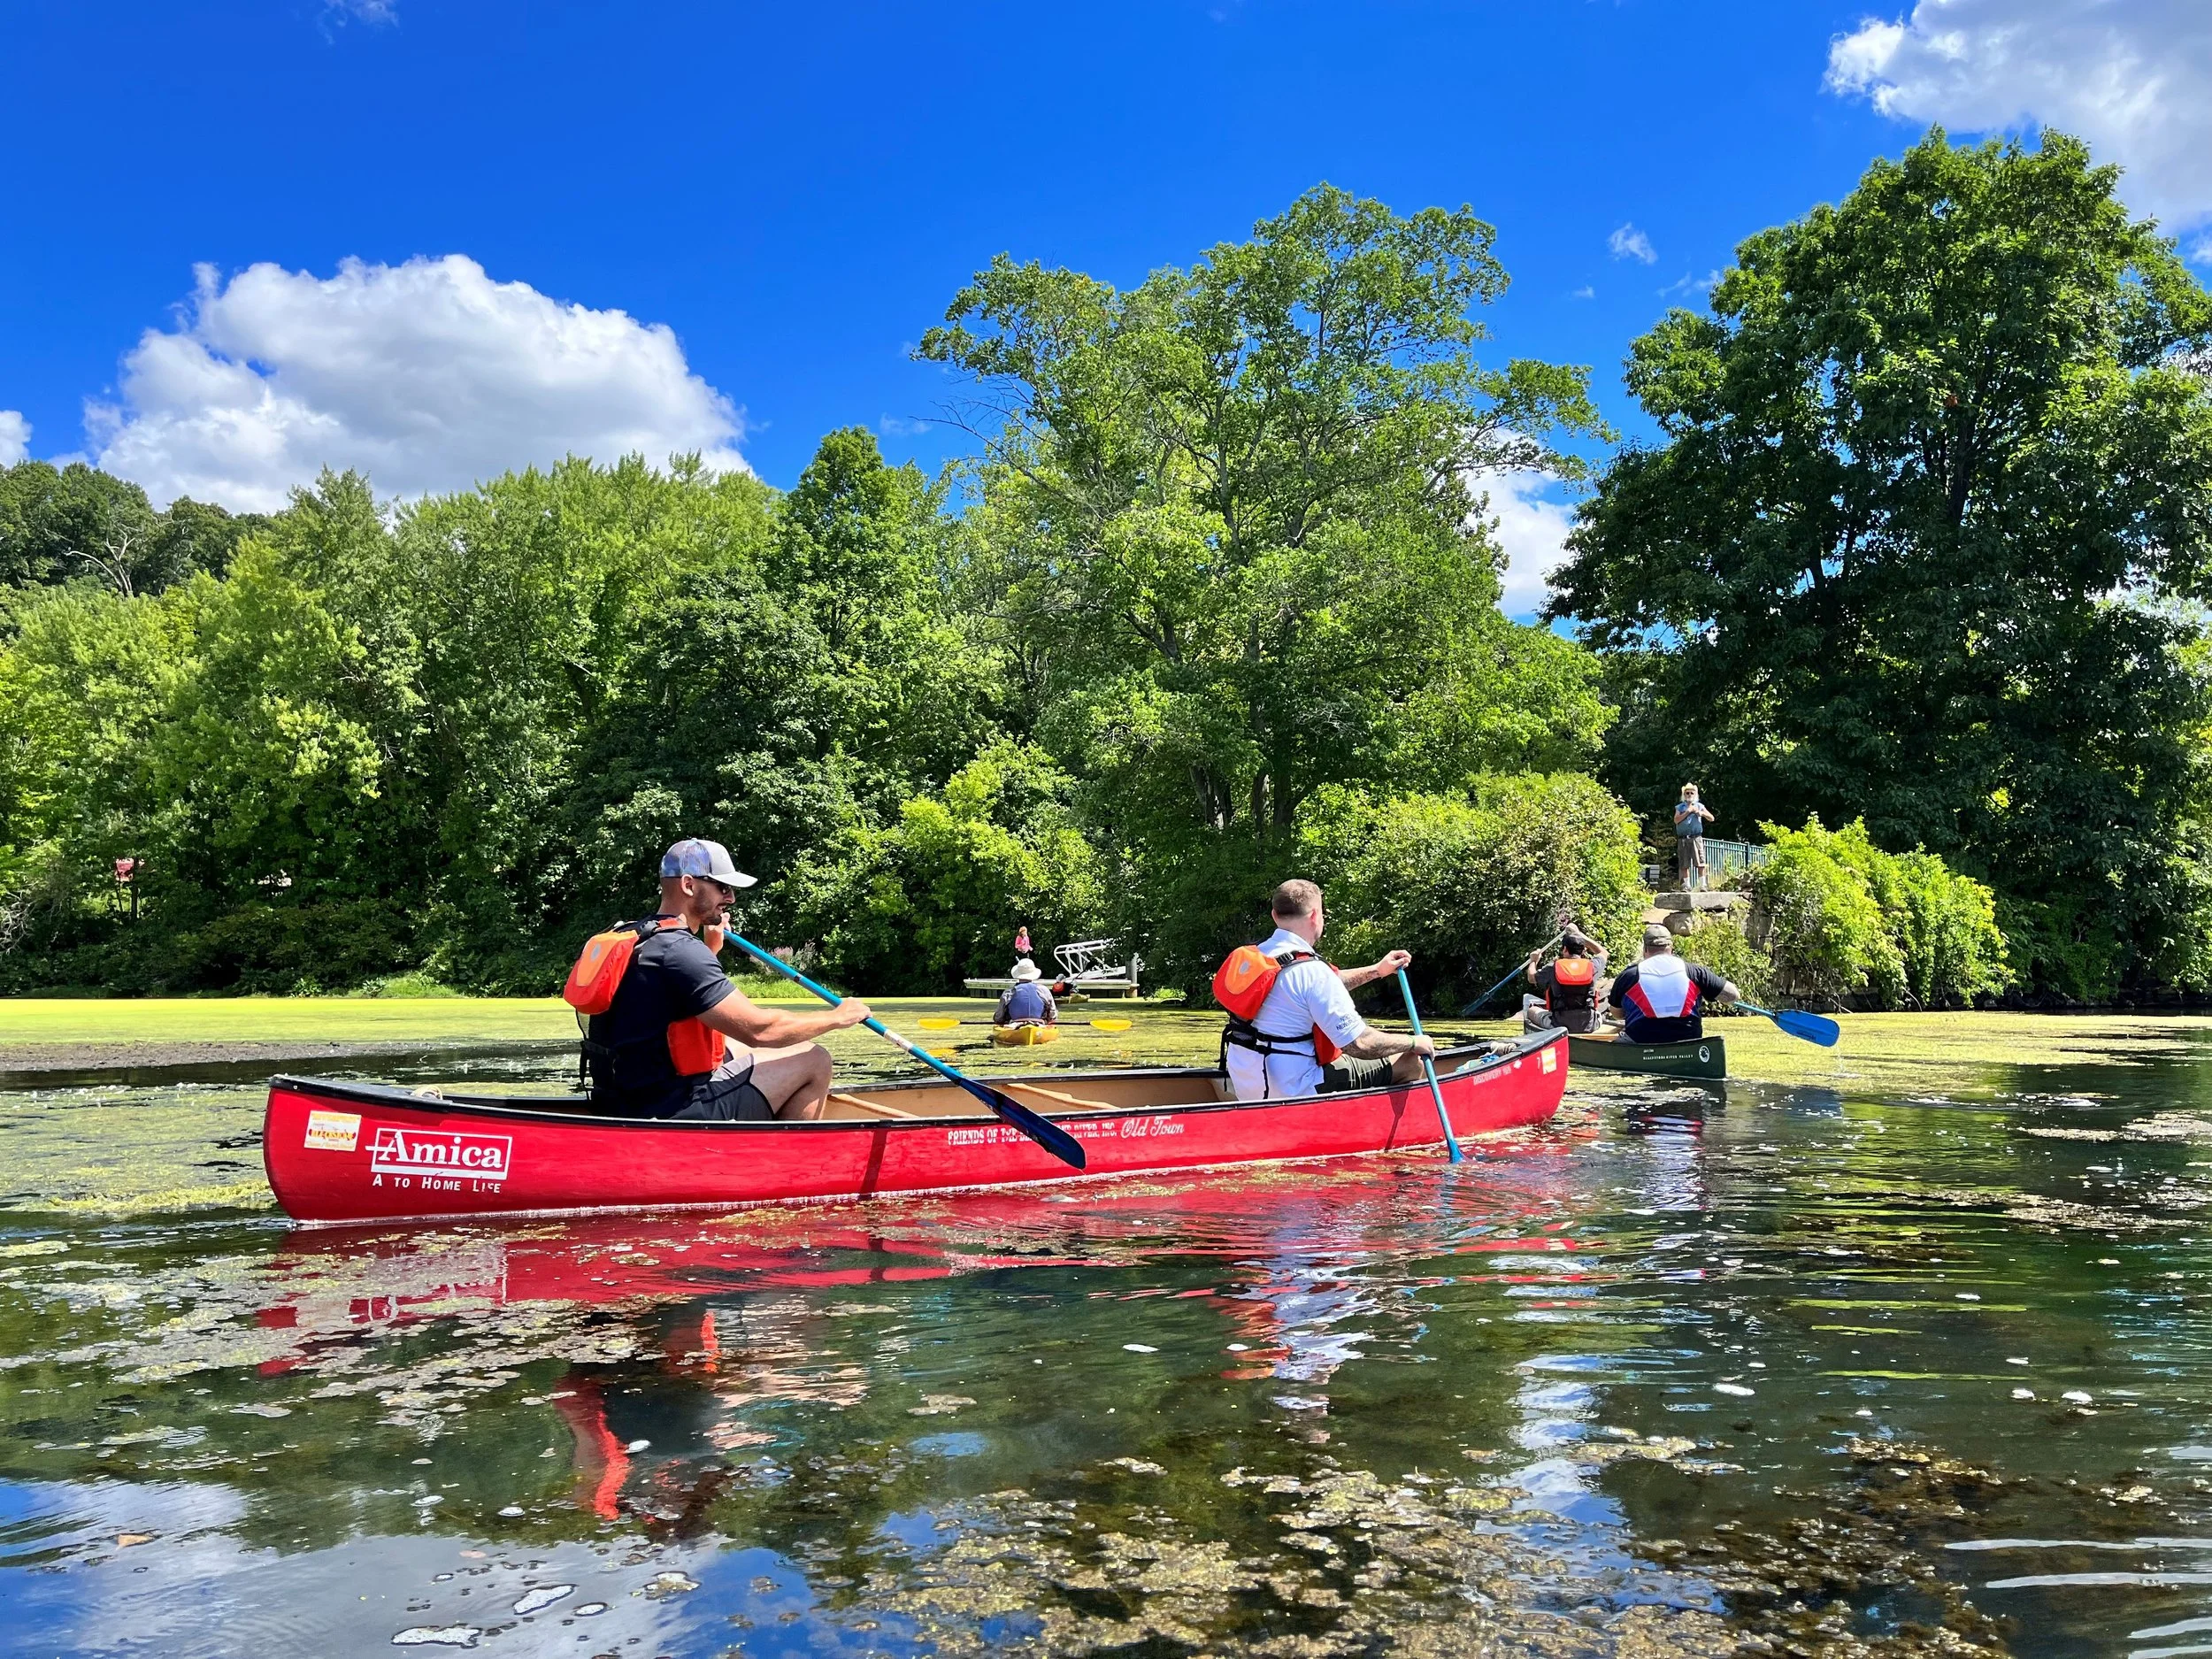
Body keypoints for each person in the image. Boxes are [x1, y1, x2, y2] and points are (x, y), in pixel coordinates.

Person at [573, 838, 872, 1121]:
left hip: (620, 1100)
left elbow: (670, 1003)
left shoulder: (633, 936)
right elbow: (761, 1030)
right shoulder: (682, 952)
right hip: (671, 1110)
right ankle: (784, 1163)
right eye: (722, 887)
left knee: (732, 1046)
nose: (730, 898)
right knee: (814, 1059)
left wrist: (710, 950)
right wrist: (838, 1017)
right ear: (689, 885)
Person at [1216, 879, 1436, 1101]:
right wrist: (1414, 1042)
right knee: (1409, 1061)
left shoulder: (1261, 957)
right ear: (1314, 916)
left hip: (1245, 1082)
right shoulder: (1312, 972)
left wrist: (1377, 970)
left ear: (1275, 915)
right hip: (1293, 1088)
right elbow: (1359, 1044)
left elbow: (1323, 985)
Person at [1606, 925, 1738, 1043]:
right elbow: (1733, 996)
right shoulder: (1695, 972)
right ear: (1671, 947)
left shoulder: (1628, 975)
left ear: (1645, 949)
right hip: (1688, 1042)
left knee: (1619, 1042)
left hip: (1640, 1041)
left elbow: (1616, 1013)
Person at [1521, 924, 1609, 1033]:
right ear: (1583, 951)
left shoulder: (1553, 968)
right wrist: (1581, 935)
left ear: (1565, 949)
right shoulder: (1593, 966)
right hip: (1590, 1025)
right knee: (1599, 1012)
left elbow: (1531, 978)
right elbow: (1603, 953)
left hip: (1558, 1025)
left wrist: (1534, 960)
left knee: (1531, 1010)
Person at [995, 957, 1058, 1028]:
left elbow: (999, 1017)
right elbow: (1053, 1014)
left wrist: (1000, 1021)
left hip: (1014, 1026)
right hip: (1039, 1025)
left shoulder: (1009, 992)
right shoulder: (1044, 990)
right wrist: (1048, 1021)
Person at [1675, 784, 1715, 892]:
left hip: (1696, 838)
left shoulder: (1700, 806)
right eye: (1687, 793)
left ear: (1695, 794)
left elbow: (1712, 818)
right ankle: (1687, 886)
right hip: (1683, 838)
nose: (1689, 795)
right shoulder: (1680, 807)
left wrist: (1700, 813)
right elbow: (1676, 820)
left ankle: (1703, 885)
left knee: (1700, 862)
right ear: (1684, 794)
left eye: (1691, 793)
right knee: (1684, 863)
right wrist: (1688, 812)